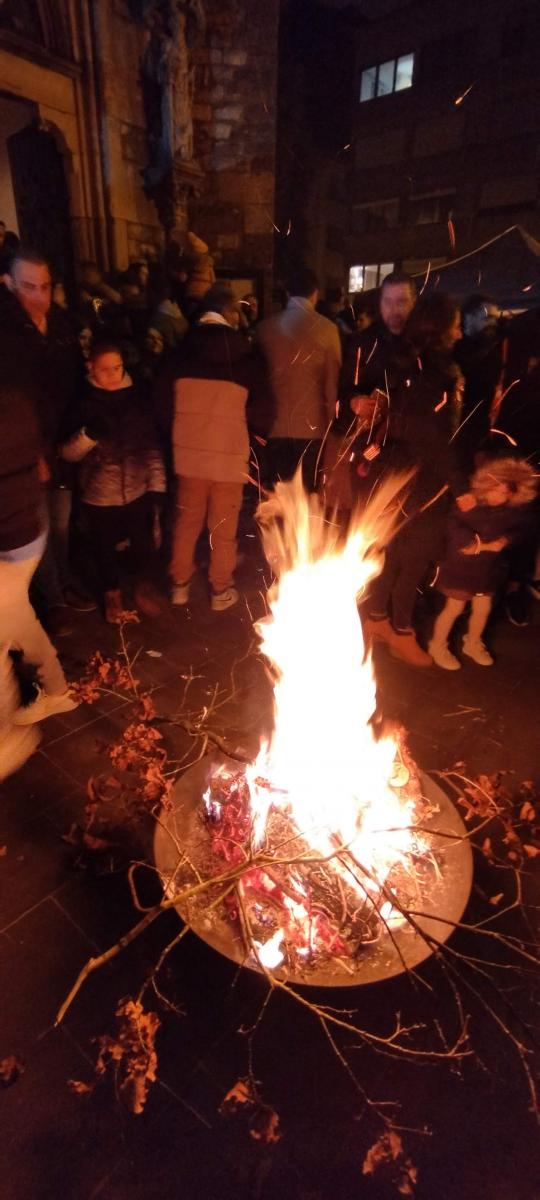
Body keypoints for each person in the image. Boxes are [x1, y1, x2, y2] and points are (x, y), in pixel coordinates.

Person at [362, 293, 467, 667]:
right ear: (440, 329)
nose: (460, 333)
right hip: (424, 482)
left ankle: (377, 620)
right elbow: (437, 440)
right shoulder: (441, 374)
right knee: (414, 560)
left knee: (392, 552)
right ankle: (401, 632)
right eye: (456, 326)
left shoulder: (399, 361)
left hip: (393, 476)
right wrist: (461, 487)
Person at [0, 248, 95, 632]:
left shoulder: (60, 325)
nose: (39, 297)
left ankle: (62, 581)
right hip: (23, 450)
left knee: (61, 520)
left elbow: (71, 381)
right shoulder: (6, 333)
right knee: (35, 525)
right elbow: (13, 402)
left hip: (62, 441)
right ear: (8, 283)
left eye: (45, 287)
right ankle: (52, 599)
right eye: (28, 287)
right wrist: (32, 451)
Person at [169, 283, 273, 612]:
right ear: (229, 312)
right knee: (223, 528)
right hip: (230, 455)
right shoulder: (247, 357)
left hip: (189, 454)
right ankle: (220, 589)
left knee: (187, 522)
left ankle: (179, 585)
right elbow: (263, 410)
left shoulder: (179, 352)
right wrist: (253, 438)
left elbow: (161, 403)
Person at [60, 342, 167, 624]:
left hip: (137, 488)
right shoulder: (82, 402)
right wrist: (89, 435)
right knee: (103, 549)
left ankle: (142, 588)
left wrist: (157, 488)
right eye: (104, 369)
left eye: (117, 368)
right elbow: (67, 453)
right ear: (91, 368)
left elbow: (151, 448)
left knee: (142, 544)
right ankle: (113, 597)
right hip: (99, 493)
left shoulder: (137, 399)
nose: (112, 374)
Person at [0, 364, 78, 732]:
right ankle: (57, 690)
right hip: (26, 528)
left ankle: (7, 736)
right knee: (16, 617)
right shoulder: (14, 398)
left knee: (9, 621)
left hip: (14, 535)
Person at [428, 458, 537, 669]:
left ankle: (473, 642)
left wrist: (506, 540)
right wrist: (477, 544)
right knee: (454, 608)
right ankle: (437, 645)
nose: (498, 497)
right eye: (495, 490)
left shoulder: (511, 512)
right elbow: (453, 525)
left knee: (483, 608)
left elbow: (521, 530)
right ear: (486, 484)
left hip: (486, 571)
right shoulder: (469, 503)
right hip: (461, 569)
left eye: (504, 493)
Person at [256, 265, 341, 491]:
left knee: (275, 496)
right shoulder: (328, 330)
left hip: (273, 426)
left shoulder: (265, 329)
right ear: (315, 293)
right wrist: (332, 431)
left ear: (287, 292)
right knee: (307, 497)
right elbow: (331, 386)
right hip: (312, 428)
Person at [454, 293, 503, 468]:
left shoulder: (496, 352)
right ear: (469, 317)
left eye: (495, 318)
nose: (493, 323)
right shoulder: (453, 351)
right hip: (455, 434)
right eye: (487, 318)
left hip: (480, 435)